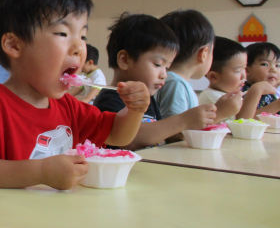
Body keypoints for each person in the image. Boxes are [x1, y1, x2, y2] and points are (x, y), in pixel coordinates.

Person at [0, 0, 150, 191]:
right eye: (62, 33)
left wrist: (135, 110)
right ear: (14, 45)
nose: (79, 47)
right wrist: (40, 172)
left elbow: (117, 134)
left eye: (83, 36)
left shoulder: (68, 107)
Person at [94, 13, 217, 150]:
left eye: (167, 67)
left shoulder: (149, 99)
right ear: (124, 60)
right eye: (158, 64)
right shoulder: (110, 99)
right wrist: (183, 121)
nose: (164, 75)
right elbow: (126, 139)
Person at [155, 10, 241, 124]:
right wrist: (219, 113)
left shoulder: (175, 82)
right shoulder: (175, 84)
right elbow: (174, 134)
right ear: (204, 53)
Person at [199, 37, 276, 120]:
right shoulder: (212, 96)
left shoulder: (233, 95)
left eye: (244, 68)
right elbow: (243, 122)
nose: (244, 75)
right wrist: (255, 91)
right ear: (213, 77)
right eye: (238, 71)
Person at [240, 42, 280, 114]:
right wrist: (277, 105)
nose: (273, 69)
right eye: (265, 64)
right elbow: (247, 120)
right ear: (247, 70)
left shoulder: (273, 93)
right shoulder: (245, 92)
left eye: (277, 65)